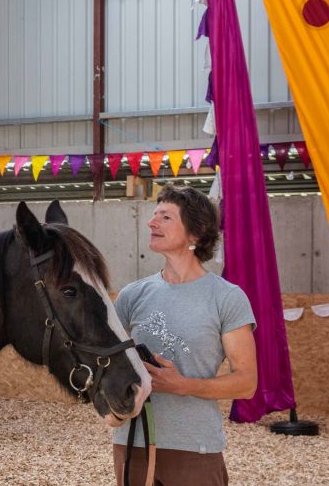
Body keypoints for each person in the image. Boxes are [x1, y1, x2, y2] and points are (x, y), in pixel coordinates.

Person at [111, 184, 257, 486]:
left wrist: (183, 385)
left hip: (195, 448)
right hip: (132, 443)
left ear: (196, 233)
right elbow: (107, 360)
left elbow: (247, 382)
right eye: (154, 215)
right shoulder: (131, 295)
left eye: (165, 217)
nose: (152, 223)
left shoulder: (226, 297)